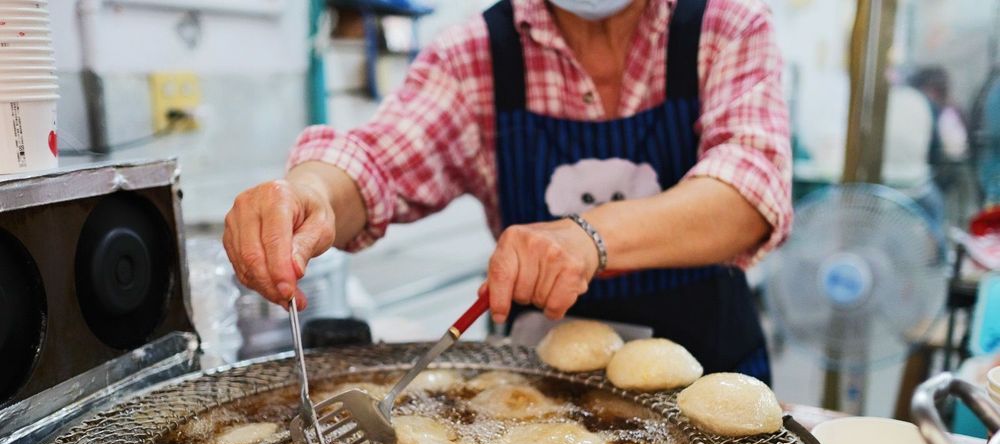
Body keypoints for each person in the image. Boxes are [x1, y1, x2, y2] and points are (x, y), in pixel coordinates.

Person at [223, 0, 791, 384]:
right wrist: (309, 192)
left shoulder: (726, 26)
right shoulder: (476, 55)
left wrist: (588, 237)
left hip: (707, 373)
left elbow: (748, 190)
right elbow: (377, 160)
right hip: (534, 396)